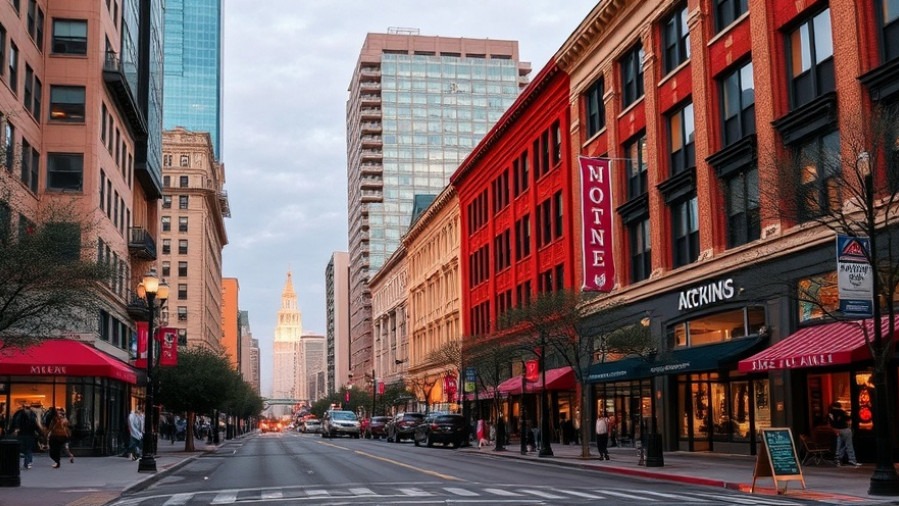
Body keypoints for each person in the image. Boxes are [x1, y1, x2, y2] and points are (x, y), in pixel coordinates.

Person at [828, 401, 861, 467]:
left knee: (839, 445)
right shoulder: (842, 412)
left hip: (837, 430)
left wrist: (835, 430)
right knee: (849, 444)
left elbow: (830, 423)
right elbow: (849, 419)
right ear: (839, 406)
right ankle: (852, 459)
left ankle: (838, 460)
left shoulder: (830, 413)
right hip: (845, 429)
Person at [10, 403, 41, 470]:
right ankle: (28, 462)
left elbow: (15, 422)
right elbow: (35, 425)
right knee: (28, 449)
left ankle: (26, 462)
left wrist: (15, 430)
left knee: (23, 449)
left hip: (22, 434)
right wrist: (39, 432)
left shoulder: (19, 414)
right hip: (29, 434)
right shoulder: (32, 415)